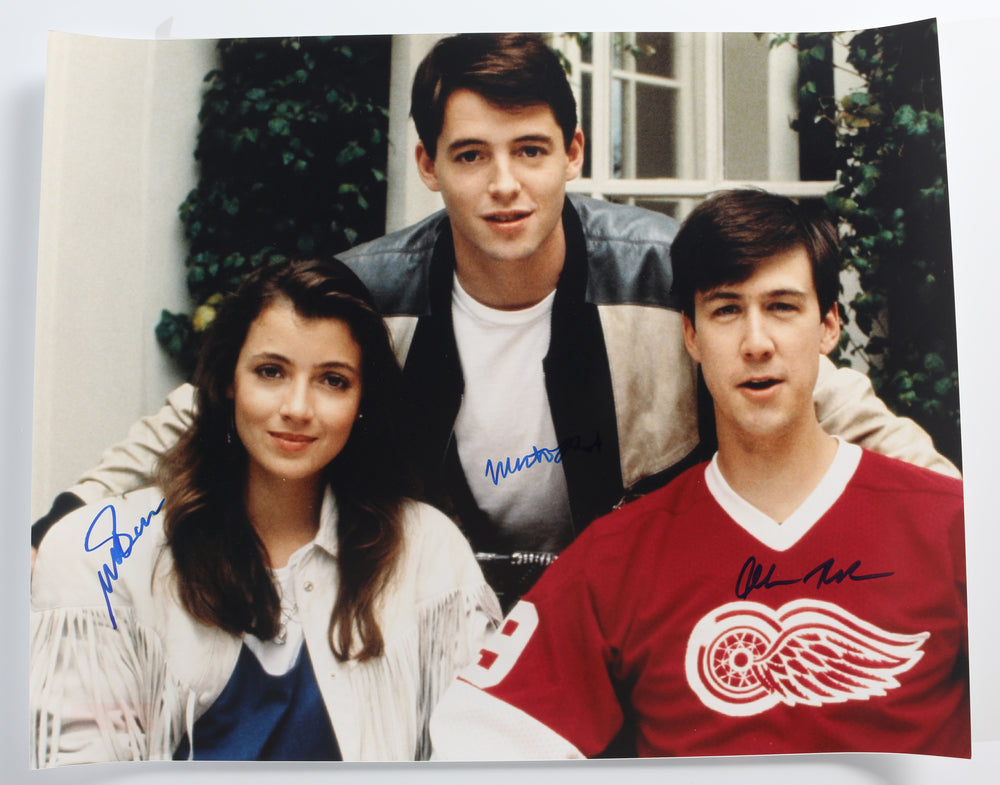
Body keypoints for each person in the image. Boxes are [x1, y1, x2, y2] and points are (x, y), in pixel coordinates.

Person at [31, 34, 959, 607]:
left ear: (574, 153)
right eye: (472, 154)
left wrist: (964, 523)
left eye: (530, 150)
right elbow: (203, 411)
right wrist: (63, 526)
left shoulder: (657, 270)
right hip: (437, 607)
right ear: (430, 165)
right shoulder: (373, 294)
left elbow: (827, 399)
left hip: (634, 595)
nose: (505, 184)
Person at [428, 189, 970, 759]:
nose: (756, 343)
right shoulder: (618, 557)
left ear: (828, 327)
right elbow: (477, 747)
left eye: (782, 307)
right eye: (726, 310)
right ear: (691, 335)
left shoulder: (952, 524)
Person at [30, 259, 500, 766]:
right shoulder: (105, 559)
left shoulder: (427, 552)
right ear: (228, 379)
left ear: (363, 399)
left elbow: (473, 755)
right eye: (270, 372)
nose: (298, 407)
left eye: (333, 380)